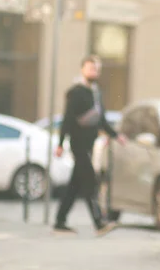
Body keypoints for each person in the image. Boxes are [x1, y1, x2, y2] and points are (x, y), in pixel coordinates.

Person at [53, 55, 126, 236]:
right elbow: (68, 118)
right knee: (89, 182)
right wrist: (61, 143)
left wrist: (116, 136)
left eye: (97, 69)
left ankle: (59, 222)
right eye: (91, 68)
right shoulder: (75, 92)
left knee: (74, 185)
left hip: (89, 143)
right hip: (77, 143)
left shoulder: (96, 92)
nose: (94, 72)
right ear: (82, 69)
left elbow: (101, 120)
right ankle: (99, 223)